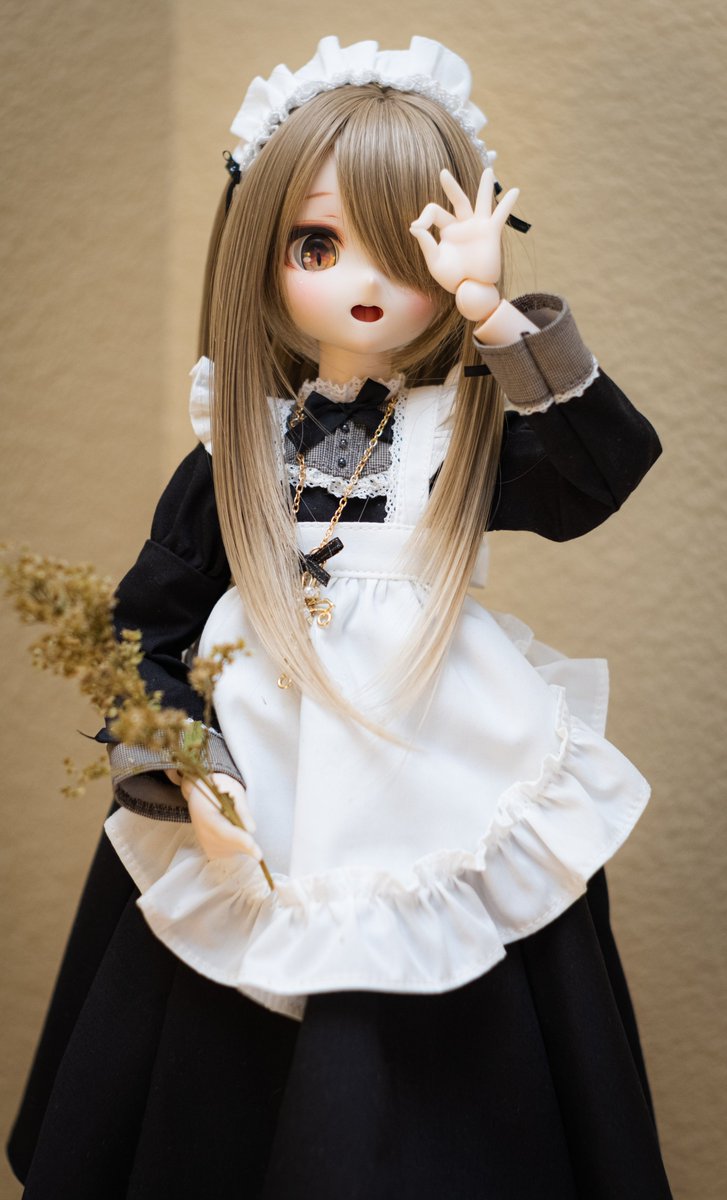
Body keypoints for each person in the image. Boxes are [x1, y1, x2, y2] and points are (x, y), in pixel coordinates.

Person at [8, 36, 673, 1199]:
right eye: (317, 244)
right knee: (224, 1065)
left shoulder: (455, 438)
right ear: (262, 252)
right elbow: (140, 637)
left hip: (436, 769)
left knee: (457, 1066)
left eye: (402, 247)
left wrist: (490, 310)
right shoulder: (233, 456)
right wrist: (193, 776)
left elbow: (600, 473)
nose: (361, 280)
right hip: (262, 800)